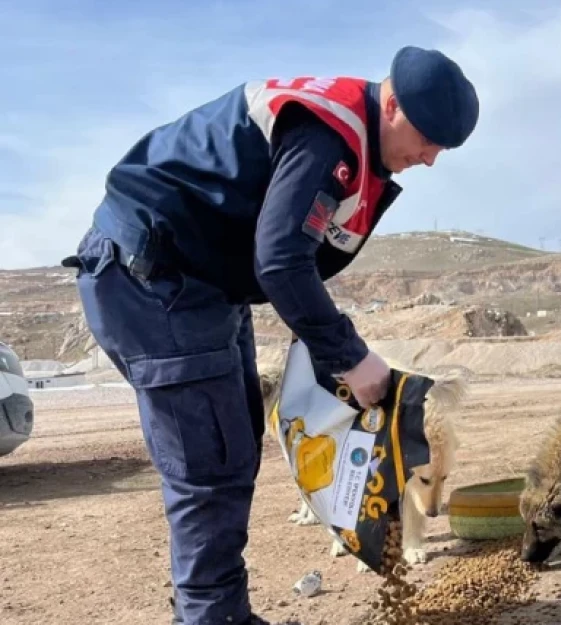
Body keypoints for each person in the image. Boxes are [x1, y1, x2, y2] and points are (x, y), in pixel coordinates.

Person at [61, 46, 479, 625]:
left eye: (442, 151)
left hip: (203, 286)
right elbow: (281, 261)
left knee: (233, 450)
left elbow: (284, 256)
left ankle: (216, 612)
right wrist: (351, 358)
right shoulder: (328, 133)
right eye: (427, 139)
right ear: (391, 102)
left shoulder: (352, 141)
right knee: (210, 467)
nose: (429, 159)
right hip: (153, 279)